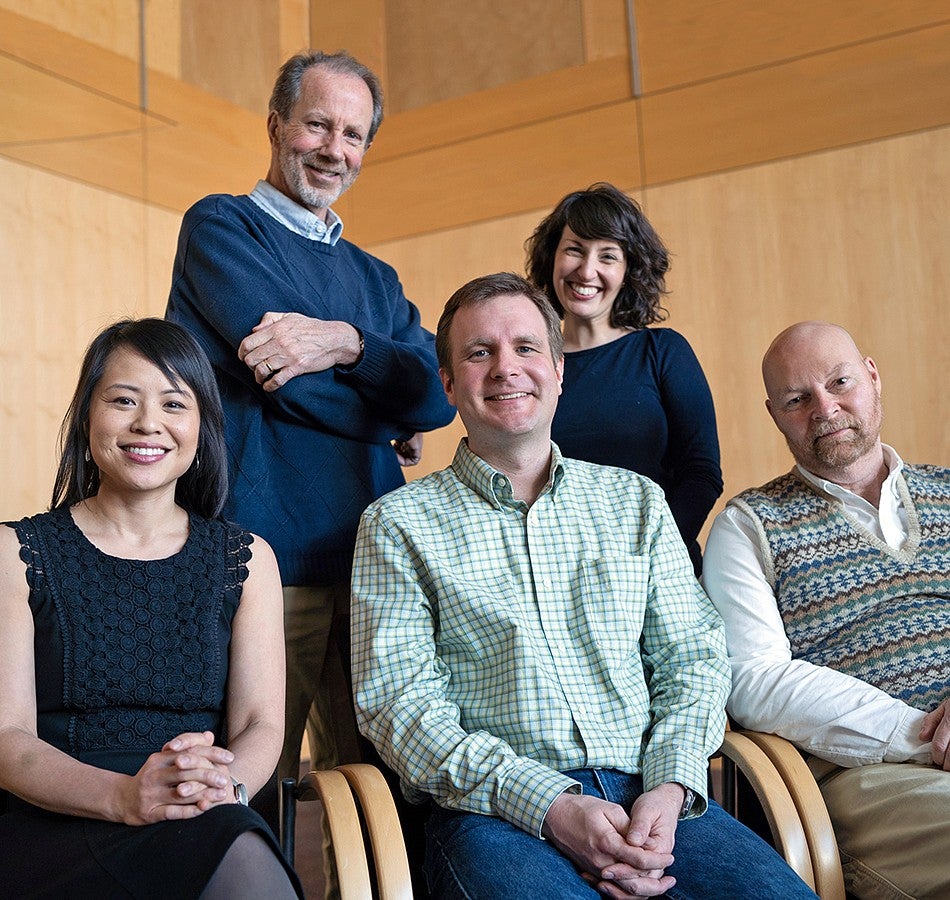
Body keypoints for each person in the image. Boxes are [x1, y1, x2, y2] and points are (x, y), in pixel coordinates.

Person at [351, 273, 817, 899]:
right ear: (448, 382)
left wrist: (670, 786)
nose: (506, 369)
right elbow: (400, 706)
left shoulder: (637, 503)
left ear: (559, 369)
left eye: (526, 348)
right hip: (494, 813)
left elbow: (695, 659)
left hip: (652, 797)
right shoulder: (396, 524)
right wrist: (551, 807)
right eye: (478, 352)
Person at [166, 49, 456, 787]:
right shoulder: (220, 228)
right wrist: (384, 406)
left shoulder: (376, 279)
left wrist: (347, 343)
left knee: (376, 789)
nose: (335, 150)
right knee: (250, 786)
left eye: (353, 134)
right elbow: (284, 385)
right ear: (275, 125)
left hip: (376, 569)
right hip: (265, 563)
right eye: (317, 125)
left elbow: (437, 394)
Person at [0, 318, 300, 897]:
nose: (148, 424)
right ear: (88, 417)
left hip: (202, 809)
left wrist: (219, 789)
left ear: (201, 426)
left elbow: (260, 725)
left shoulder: (248, 559)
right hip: (58, 812)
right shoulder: (14, 553)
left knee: (245, 865)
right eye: (123, 400)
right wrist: (125, 796)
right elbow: (8, 739)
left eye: (173, 404)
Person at [702, 321, 950, 900]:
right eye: (797, 398)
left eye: (840, 382)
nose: (825, 408)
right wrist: (924, 736)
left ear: (872, 377)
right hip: (874, 778)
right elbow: (756, 681)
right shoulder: (748, 524)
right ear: (775, 414)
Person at [525, 183, 722, 576]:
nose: (586, 270)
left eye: (607, 256)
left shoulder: (663, 351)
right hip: (556, 575)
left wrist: (643, 555)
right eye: (575, 249)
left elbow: (701, 474)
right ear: (552, 258)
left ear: (628, 269)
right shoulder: (531, 365)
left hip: (658, 568)